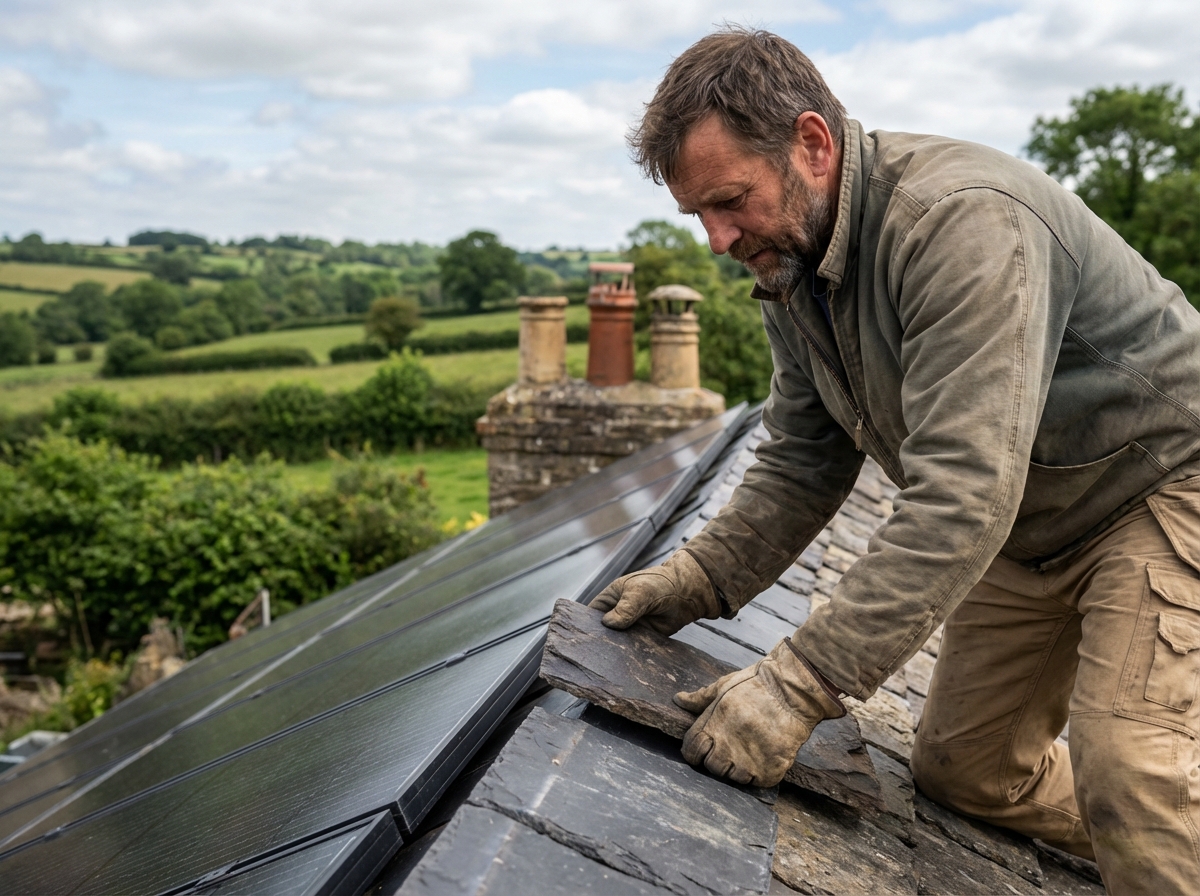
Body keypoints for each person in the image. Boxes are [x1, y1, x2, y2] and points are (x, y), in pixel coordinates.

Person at [590, 27, 1200, 892]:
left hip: (1161, 486)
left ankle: (1156, 828)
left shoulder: (960, 225)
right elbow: (804, 459)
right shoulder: (792, 265)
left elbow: (963, 492)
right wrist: (695, 579)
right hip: (1033, 521)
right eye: (699, 216)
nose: (717, 241)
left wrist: (798, 687)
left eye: (730, 201)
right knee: (965, 772)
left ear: (811, 142)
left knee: (1133, 777)